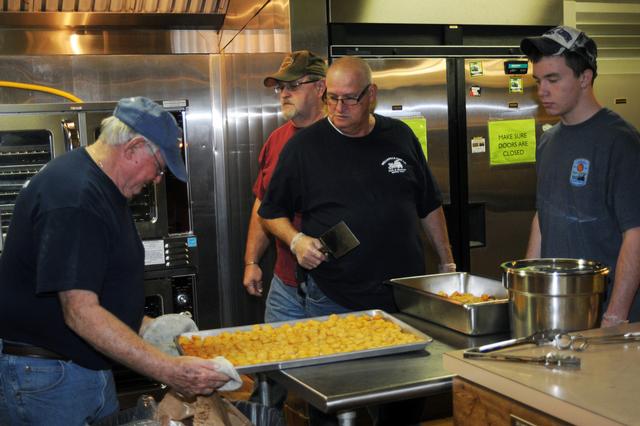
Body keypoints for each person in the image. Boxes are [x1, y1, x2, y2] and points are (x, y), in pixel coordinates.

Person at [0, 97, 231, 426]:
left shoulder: (105, 189)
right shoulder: (75, 197)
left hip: (85, 369)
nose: (157, 179)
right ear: (134, 147)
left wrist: (149, 327)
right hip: (48, 380)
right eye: (160, 167)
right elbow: (80, 312)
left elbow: (100, 283)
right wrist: (168, 370)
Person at [258, 56, 455, 317]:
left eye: (350, 98)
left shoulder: (400, 136)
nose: (339, 107)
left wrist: (447, 261)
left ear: (371, 94)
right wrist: (297, 241)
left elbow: (429, 205)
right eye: (332, 97)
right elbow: (270, 212)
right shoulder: (302, 148)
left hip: (404, 292)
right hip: (335, 296)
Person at [521, 26, 640, 327]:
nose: (542, 90)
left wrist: (615, 316)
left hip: (605, 316)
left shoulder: (621, 142)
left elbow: (636, 234)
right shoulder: (548, 142)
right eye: (538, 81)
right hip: (558, 312)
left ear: (585, 78)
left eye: (553, 79)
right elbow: (543, 216)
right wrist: (528, 287)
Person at [242, 50, 327, 323]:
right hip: (285, 287)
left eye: (293, 86)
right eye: (281, 87)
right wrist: (252, 262)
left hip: (333, 288)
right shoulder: (276, 140)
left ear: (320, 87)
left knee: (329, 363)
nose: (284, 93)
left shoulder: (339, 136)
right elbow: (262, 204)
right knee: (277, 362)